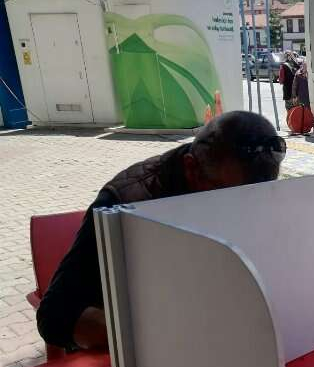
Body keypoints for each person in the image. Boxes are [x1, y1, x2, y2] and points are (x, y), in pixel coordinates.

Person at [37, 111, 286, 352]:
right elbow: (55, 318)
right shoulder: (127, 203)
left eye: (254, 200)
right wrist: (162, 333)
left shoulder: (233, 182)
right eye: (229, 200)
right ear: (191, 168)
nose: (240, 213)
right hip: (142, 350)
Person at [291, 60, 314, 134]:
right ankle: (304, 126)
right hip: (302, 97)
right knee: (304, 112)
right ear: (302, 66)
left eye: (307, 66)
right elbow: (294, 86)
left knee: (312, 112)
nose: (305, 67)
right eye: (304, 65)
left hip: (311, 96)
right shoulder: (298, 74)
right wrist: (294, 96)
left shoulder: (311, 74)